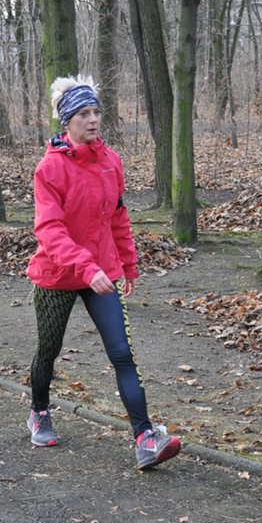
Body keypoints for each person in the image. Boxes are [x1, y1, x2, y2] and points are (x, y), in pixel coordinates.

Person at [25, 75, 180, 470]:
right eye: (83, 113)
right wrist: (85, 266)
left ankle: (145, 438)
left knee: (122, 354)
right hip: (58, 275)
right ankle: (39, 411)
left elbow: (118, 217)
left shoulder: (111, 162)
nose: (93, 119)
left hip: (103, 274)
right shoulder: (49, 169)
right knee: (49, 350)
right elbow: (49, 230)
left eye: (96, 111)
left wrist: (128, 264)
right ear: (67, 120)